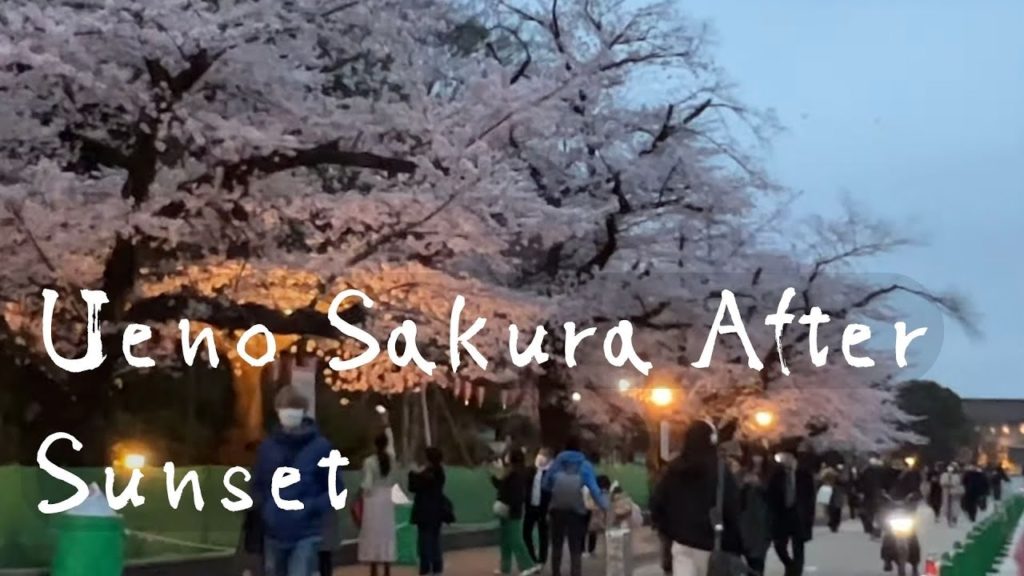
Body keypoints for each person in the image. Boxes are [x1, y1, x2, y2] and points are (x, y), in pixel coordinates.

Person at [252, 386, 343, 576]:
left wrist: (310, 507)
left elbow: (336, 489)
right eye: (285, 408)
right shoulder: (267, 447)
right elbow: (258, 484)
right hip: (274, 532)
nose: (289, 412)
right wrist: (265, 508)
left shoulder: (321, 447)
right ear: (278, 412)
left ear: (303, 411)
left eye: (294, 407)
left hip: (306, 532)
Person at [650, 420, 743, 576]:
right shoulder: (719, 469)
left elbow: (657, 502)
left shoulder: (674, 469)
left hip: (681, 542)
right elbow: (731, 507)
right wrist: (736, 543)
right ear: (711, 440)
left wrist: (668, 530)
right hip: (710, 543)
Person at [543, 435, 608, 576]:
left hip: (557, 508)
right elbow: (594, 489)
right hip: (576, 510)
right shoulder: (584, 465)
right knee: (575, 547)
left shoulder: (557, 463)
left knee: (556, 545)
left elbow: (545, 484)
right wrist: (604, 506)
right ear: (580, 449)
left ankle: (556, 572)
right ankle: (575, 573)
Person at [358, 412, 398, 576]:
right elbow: (391, 444)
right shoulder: (392, 459)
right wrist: (387, 424)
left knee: (372, 532)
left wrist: (359, 493)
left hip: (373, 500)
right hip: (387, 498)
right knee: (387, 532)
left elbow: (367, 485)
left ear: (374, 445)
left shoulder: (369, 462)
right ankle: (387, 567)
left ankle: (373, 568)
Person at [491, 447, 540, 576]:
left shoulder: (516, 474)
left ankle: (528, 565)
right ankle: (505, 567)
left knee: (515, 539)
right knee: (506, 539)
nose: (506, 457)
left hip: (511, 510)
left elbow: (516, 494)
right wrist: (493, 477)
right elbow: (502, 486)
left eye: (508, 455)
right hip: (507, 509)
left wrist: (510, 506)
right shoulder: (513, 472)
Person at [767, 451, 815, 576]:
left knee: (798, 548)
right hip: (782, 515)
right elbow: (771, 496)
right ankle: (790, 565)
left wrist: (809, 516)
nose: (784, 460)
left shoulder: (804, 475)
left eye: (786, 457)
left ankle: (795, 572)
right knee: (779, 546)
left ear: (793, 458)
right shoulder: (777, 475)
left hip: (799, 515)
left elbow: (810, 498)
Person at [409, 446, 450, 576]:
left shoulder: (429, 473)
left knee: (425, 541)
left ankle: (426, 568)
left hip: (425, 511)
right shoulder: (440, 472)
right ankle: (437, 567)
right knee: (435, 539)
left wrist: (412, 472)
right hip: (437, 510)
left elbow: (414, 486)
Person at [737, 452, 771, 576]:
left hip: (763, 519)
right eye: (755, 454)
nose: (757, 458)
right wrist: (744, 485)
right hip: (745, 518)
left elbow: (774, 495)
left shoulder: (769, 473)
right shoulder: (742, 473)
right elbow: (735, 495)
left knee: (759, 556)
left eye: (760, 455)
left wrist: (760, 486)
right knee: (747, 552)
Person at [523, 448, 551, 566]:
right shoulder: (530, 471)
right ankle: (531, 557)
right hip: (531, 507)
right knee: (526, 532)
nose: (541, 457)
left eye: (544, 455)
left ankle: (542, 559)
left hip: (543, 508)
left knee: (543, 534)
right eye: (539, 454)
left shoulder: (549, 473)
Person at [857, 456, 887, 537]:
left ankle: (873, 528)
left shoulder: (868, 471)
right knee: (872, 512)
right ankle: (872, 528)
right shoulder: (868, 471)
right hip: (872, 494)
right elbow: (860, 482)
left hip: (875, 494)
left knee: (874, 512)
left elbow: (860, 482)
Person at [584, 475, 612, 557]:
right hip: (597, 514)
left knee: (594, 531)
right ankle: (591, 550)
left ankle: (591, 550)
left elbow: (589, 504)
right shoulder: (601, 492)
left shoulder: (597, 492)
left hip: (597, 514)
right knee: (594, 531)